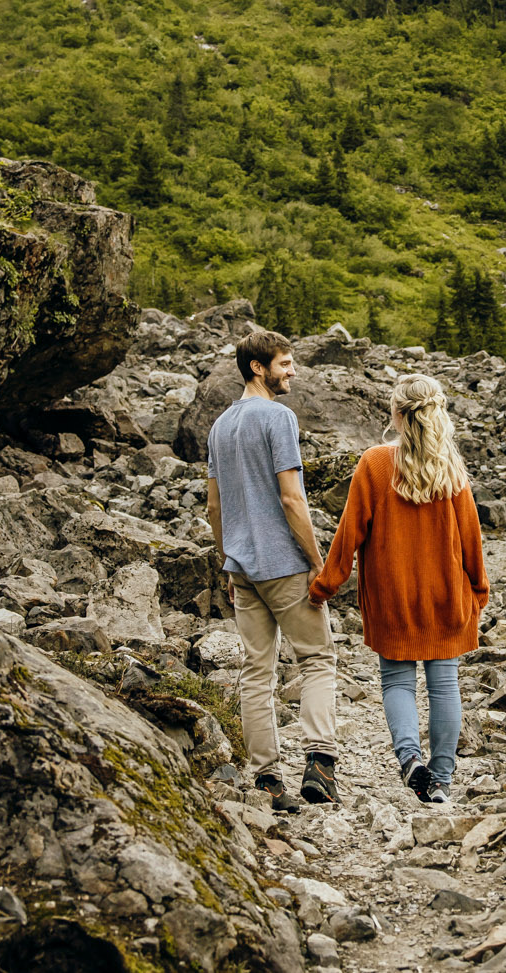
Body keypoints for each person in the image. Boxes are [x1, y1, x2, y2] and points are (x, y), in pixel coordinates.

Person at [312, 373, 489, 803]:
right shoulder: (451, 466)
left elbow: (349, 532)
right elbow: (471, 535)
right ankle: (442, 782)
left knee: (397, 682)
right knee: (444, 685)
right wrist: (478, 591)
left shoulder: (374, 463)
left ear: (397, 413)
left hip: (392, 593)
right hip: (446, 592)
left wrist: (325, 585)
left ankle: (411, 761)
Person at [206, 327, 340, 807]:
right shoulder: (278, 417)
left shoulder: (219, 426)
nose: (292, 371)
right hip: (283, 564)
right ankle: (320, 765)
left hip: (241, 567)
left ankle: (266, 780)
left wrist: (228, 558)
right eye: (285, 364)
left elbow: (215, 508)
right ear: (258, 368)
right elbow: (291, 497)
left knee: (255, 671)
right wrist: (319, 562)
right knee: (318, 659)